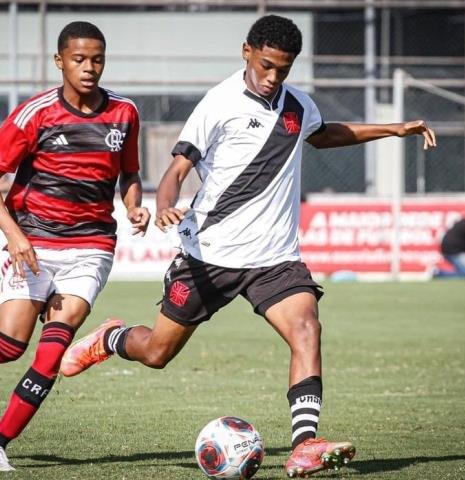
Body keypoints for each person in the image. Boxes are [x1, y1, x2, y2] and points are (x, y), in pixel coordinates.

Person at [61, 14, 436, 478]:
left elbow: (323, 135)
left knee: (307, 329)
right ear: (246, 52)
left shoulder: (297, 105)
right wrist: (165, 205)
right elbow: (178, 169)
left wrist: (393, 129)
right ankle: (112, 338)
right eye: (266, 65)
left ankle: (304, 445)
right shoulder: (219, 103)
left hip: (274, 259)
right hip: (208, 256)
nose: (273, 77)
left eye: (283, 68)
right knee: (157, 352)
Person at [0, 21, 150, 471]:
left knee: (52, 350)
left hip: (92, 247)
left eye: (97, 59)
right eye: (79, 59)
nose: (89, 68)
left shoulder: (125, 113)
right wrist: (14, 235)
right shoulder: (36, 114)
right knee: (8, 347)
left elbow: (130, 173)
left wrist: (134, 206)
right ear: (59, 61)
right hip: (34, 244)